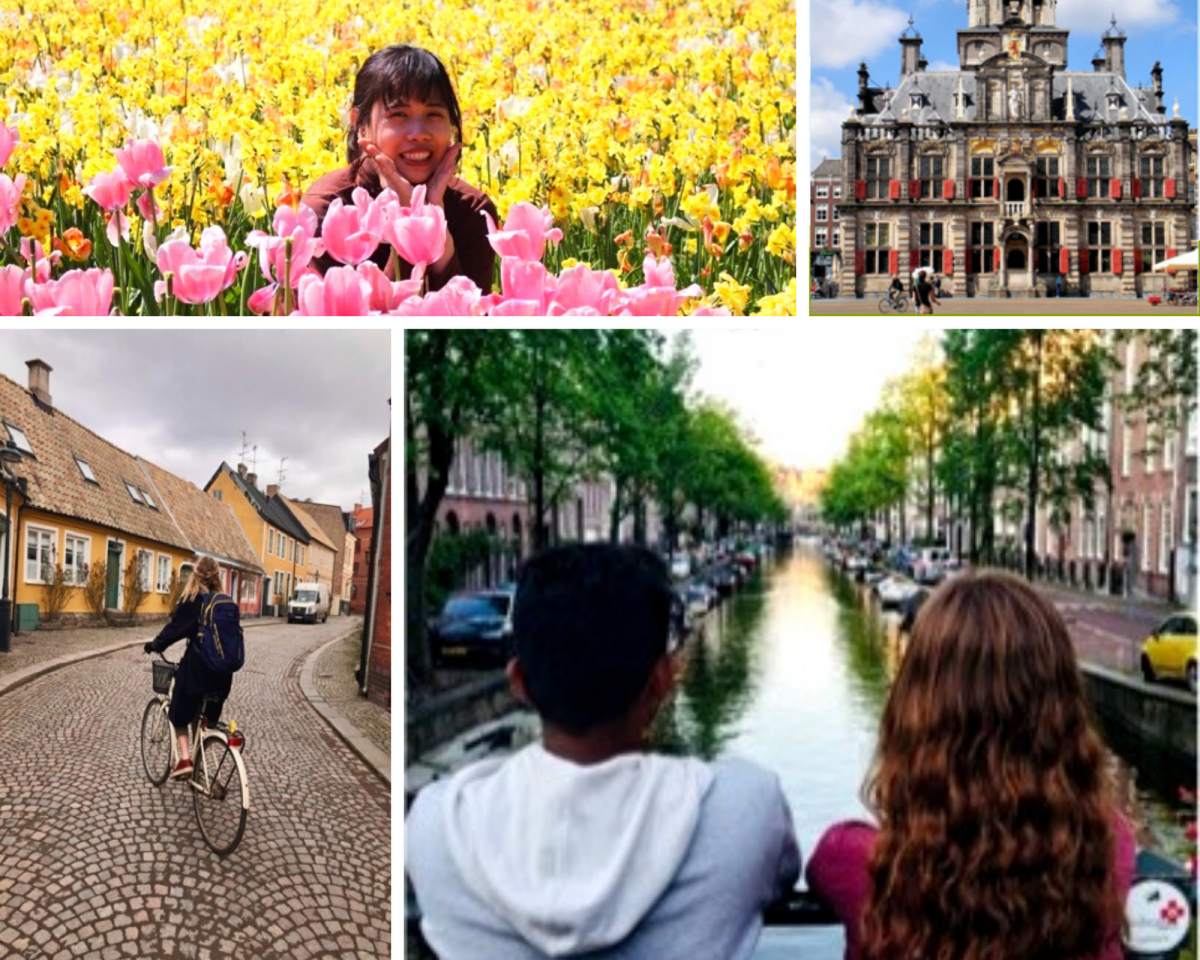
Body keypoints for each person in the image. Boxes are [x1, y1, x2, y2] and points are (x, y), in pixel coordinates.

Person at [406, 543, 800, 960]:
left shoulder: (435, 828)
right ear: (663, 680)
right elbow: (784, 873)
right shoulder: (745, 807)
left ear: (518, 682)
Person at [806, 572, 1135, 960]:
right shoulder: (1107, 847)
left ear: (917, 710)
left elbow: (820, 870)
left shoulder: (858, 861)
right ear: (1059, 711)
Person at [302, 45, 499, 293]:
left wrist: (434, 226)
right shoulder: (329, 207)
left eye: (433, 115)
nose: (418, 134)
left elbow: (469, 324)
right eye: (399, 115)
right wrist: (409, 222)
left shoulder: (473, 211)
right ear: (360, 125)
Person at [142, 557, 234, 780]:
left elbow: (174, 629)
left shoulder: (193, 599)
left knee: (178, 711)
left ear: (196, 574)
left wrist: (156, 644)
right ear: (217, 576)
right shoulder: (225, 602)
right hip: (223, 676)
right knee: (204, 719)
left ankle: (185, 759)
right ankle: (200, 757)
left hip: (198, 670)